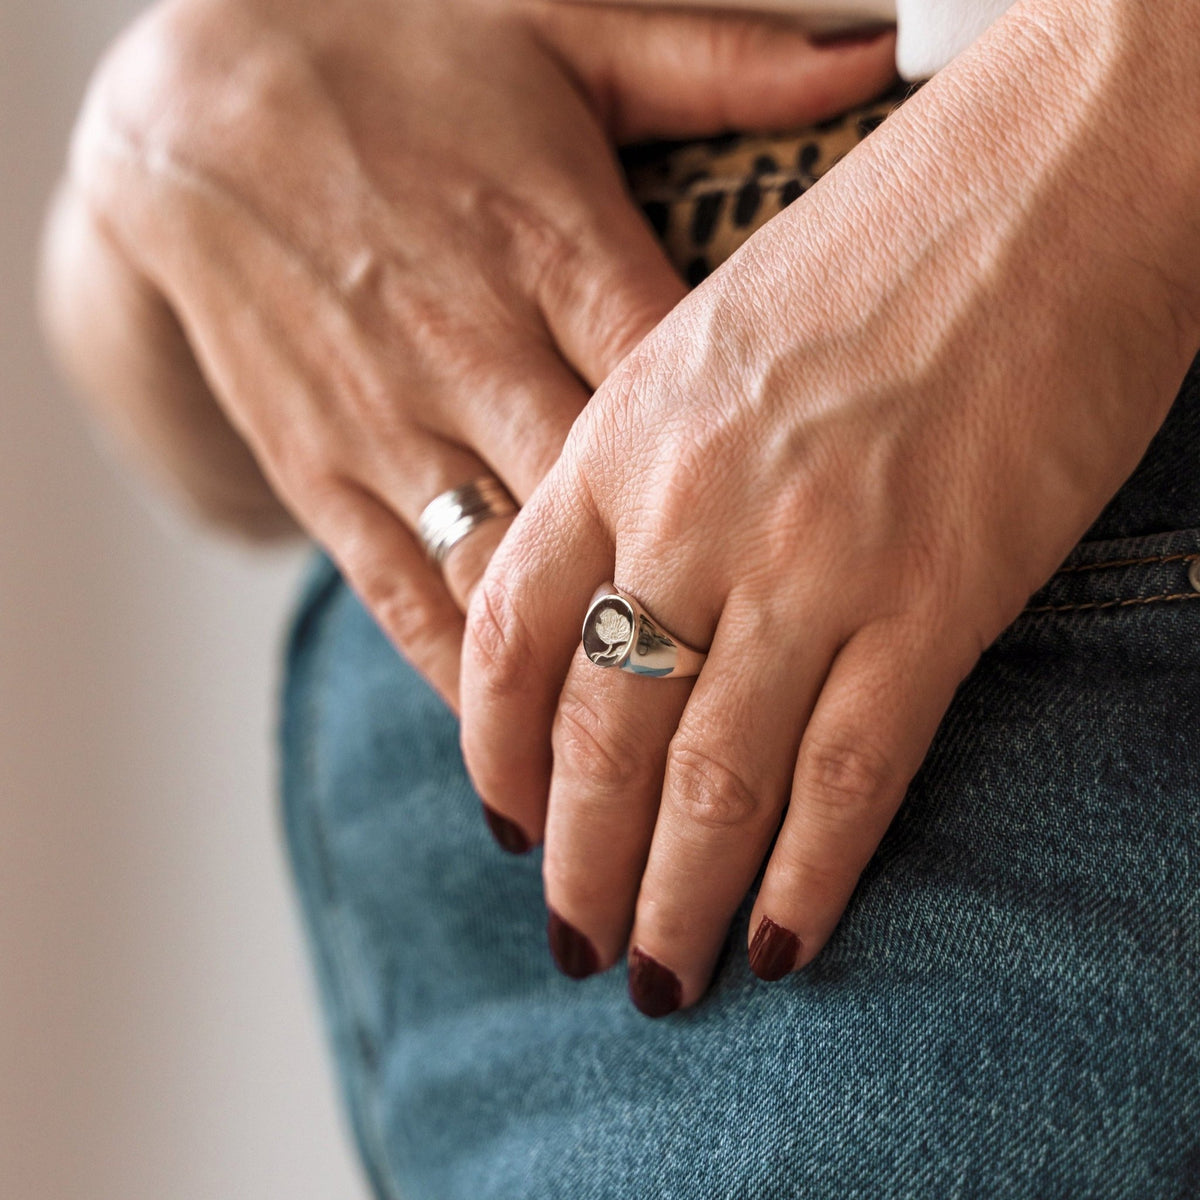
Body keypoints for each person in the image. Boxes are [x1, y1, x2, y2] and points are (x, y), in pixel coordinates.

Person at [40, 0, 1200, 1194]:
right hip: (451, 806)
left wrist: (1121, 95)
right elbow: (206, 467)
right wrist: (171, 136)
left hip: (1033, 549)